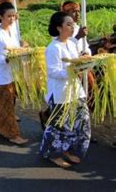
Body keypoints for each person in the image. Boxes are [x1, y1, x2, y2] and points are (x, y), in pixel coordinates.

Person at [39, 11, 91, 168]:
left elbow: (76, 64)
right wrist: (72, 70)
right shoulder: (53, 48)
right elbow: (53, 72)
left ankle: (68, 150)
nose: (72, 27)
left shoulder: (72, 43)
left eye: (72, 24)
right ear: (59, 28)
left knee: (83, 122)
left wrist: (84, 63)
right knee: (59, 127)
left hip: (76, 90)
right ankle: (52, 154)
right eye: (68, 24)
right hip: (61, 93)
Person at [0, 2, 28, 145]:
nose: (12, 19)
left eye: (13, 16)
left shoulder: (12, 30)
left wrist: (22, 48)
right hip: (1, 72)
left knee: (7, 101)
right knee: (8, 102)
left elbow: (15, 48)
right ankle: (12, 134)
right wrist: (5, 58)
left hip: (13, 70)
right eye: (9, 16)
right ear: (1, 17)